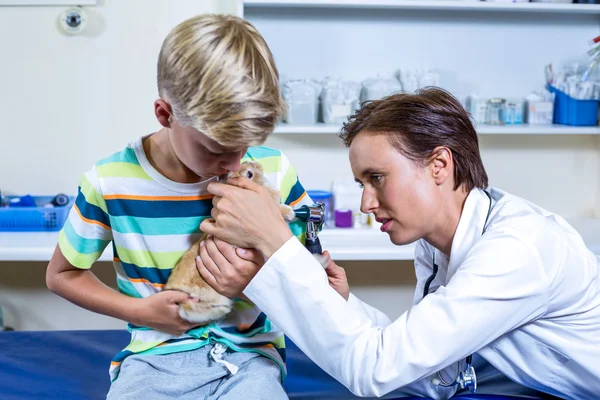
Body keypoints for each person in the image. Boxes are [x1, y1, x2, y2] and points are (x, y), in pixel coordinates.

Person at [196, 87, 600, 399]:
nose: (366, 203)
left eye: (377, 177)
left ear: (439, 165)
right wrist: (339, 302)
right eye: (360, 183)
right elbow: (428, 366)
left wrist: (274, 240)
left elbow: (376, 370)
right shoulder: (438, 241)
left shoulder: (516, 251)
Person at [45, 14, 314, 400]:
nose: (236, 166)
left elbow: (313, 274)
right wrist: (139, 312)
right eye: (217, 150)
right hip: (151, 361)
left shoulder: (273, 171)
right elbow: (62, 275)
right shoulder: (109, 181)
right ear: (165, 114)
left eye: (245, 147)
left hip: (250, 361)